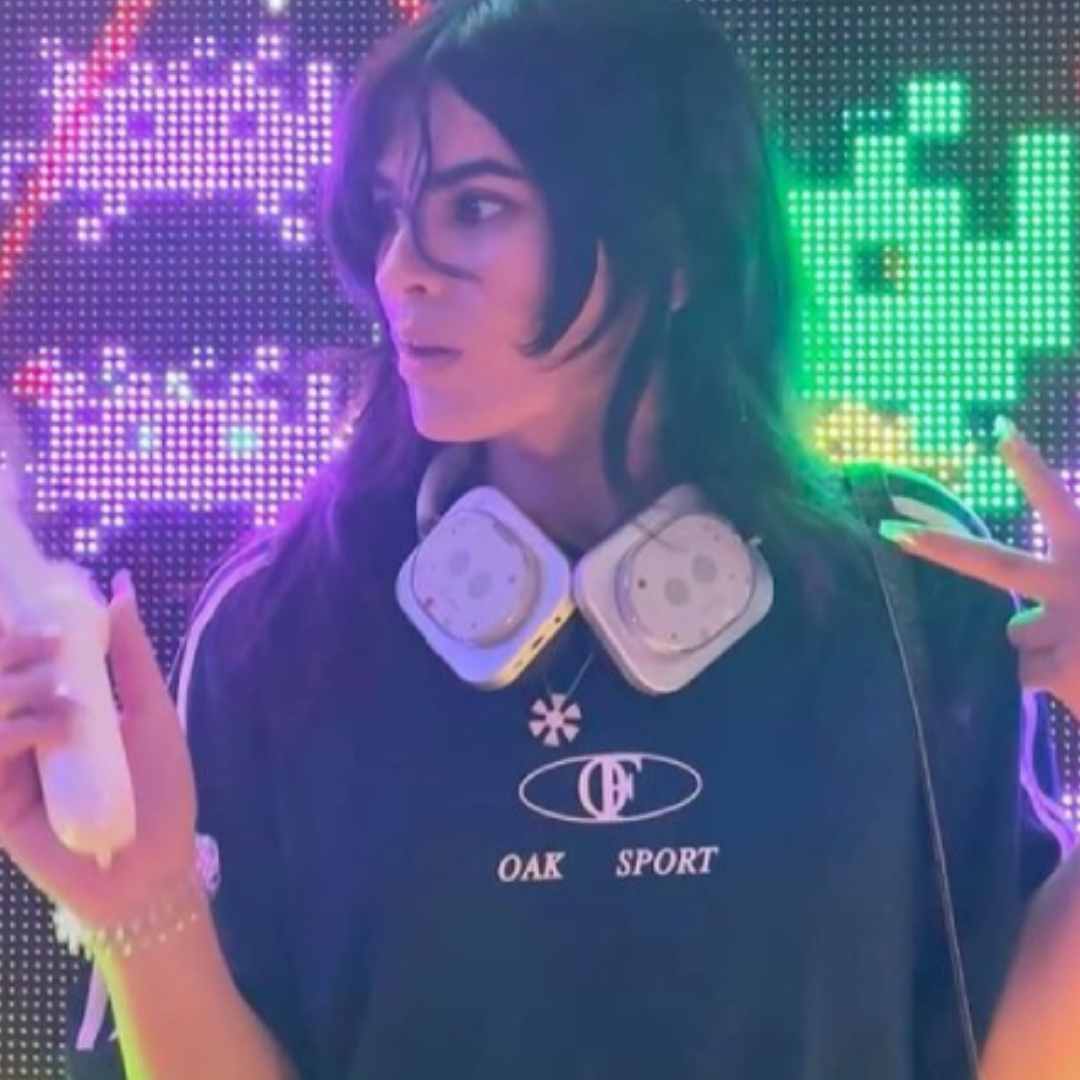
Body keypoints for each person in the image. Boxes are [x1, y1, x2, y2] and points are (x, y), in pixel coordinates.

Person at [0, 0, 1078, 1077]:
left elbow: (1020, 1058)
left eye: (475, 207)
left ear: (676, 240)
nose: (401, 270)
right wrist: (141, 906)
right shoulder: (281, 625)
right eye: (389, 214)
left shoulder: (907, 586)